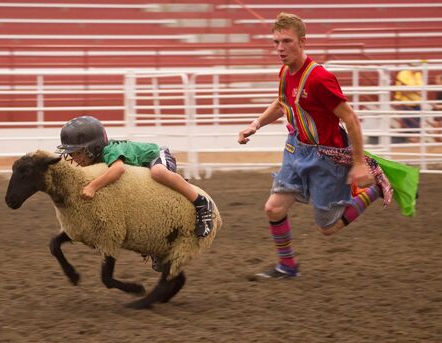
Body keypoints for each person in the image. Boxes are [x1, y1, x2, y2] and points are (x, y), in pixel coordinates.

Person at [238, 12, 380, 279]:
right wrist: (255, 124)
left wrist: (359, 163)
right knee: (273, 208)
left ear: (303, 42)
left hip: (327, 157)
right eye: (276, 42)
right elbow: (282, 104)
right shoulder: (284, 72)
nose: (280, 48)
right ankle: (287, 266)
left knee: (327, 227)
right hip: (296, 149)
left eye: (287, 41)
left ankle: (376, 189)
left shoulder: (319, 78)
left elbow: (350, 118)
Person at [55, 116, 214, 242]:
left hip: (156, 155)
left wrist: (92, 187)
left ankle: (200, 203)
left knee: (158, 172)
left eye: (78, 153)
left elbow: (118, 169)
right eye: (71, 154)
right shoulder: (94, 158)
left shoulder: (110, 150)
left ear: (93, 147)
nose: (74, 158)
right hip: (140, 171)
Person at [393, 68, 424, 143]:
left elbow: (421, 88)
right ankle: (409, 140)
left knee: (416, 122)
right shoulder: (403, 74)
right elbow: (403, 88)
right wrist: (415, 90)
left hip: (417, 102)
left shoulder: (418, 74)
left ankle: (414, 140)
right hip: (405, 102)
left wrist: (413, 89)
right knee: (408, 122)